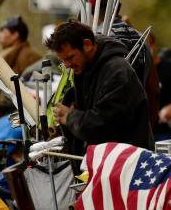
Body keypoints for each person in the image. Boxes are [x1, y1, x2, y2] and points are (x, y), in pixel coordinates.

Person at [46, 20, 154, 155]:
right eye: (63, 60)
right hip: (105, 158)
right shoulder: (84, 68)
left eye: (71, 57)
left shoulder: (117, 72)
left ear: (87, 45)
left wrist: (70, 117)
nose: (67, 65)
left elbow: (103, 124)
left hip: (127, 160)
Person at [88, 0, 160, 127]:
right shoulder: (141, 39)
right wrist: (148, 126)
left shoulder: (93, 43)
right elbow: (153, 88)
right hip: (137, 125)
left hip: (104, 127)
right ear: (119, 6)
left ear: (91, 10)